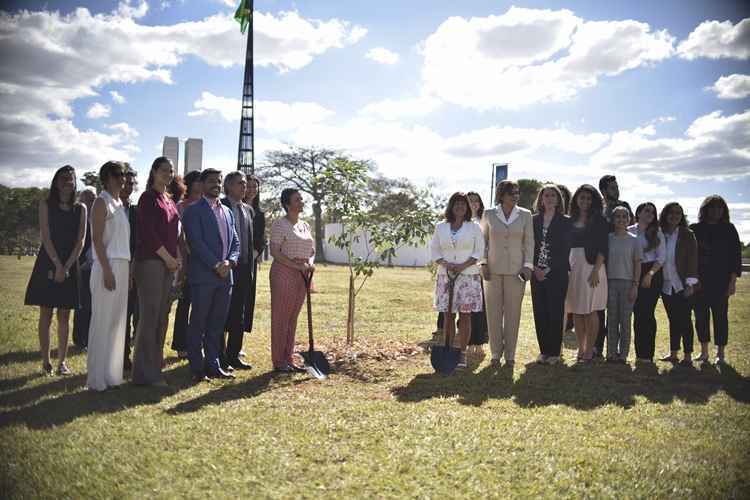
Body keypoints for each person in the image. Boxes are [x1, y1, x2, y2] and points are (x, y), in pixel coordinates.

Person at [25, 165, 86, 375]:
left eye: (71, 179)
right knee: (46, 313)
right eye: (63, 178)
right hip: (48, 261)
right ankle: (46, 362)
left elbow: (81, 240)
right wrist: (58, 265)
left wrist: (67, 266)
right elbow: (46, 236)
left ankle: (61, 362)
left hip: (70, 263)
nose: (67, 182)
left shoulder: (81, 209)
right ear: (56, 181)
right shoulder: (45, 205)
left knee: (64, 315)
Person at [182, 169, 240, 381]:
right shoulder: (193, 211)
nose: (216, 184)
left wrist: (230, 262)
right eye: (212, 181)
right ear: (202, 184)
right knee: (198, 323)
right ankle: (197, 368)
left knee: (216, 324)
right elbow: (196, 243)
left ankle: (214, 365)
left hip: (226, 278)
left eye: (219, 181)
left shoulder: (227, 211)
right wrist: (216, 264)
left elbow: (235, 242)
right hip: (204, 277)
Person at [131, 157, 180, 386]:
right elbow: (148, 233)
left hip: (168, 265)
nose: (168, 174)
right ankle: (143, 374)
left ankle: (155, 369)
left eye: (171, 171)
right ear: (153, 171)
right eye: (164, 170)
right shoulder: (147, 198)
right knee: (149, 318)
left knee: (161, 318)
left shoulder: (168, 199)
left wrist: (176, 259)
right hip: (151, 263)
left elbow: (175, 233)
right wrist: (167, 258)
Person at [86, 161, 131, 391]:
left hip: (122, 264)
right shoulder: (100, 202)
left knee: (116, 323)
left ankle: (111, 375)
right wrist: (106, 270)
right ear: (105, 178)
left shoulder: (120, 203)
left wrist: (127, 271)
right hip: (107, 265)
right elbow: (96, 239)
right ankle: (96, 379)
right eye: (116, 175)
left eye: (123, 174)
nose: (121, 178)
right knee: (102, 321)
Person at [480, 180, 534, 368]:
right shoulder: (488, 214)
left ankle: (510, 355)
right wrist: (483, 263)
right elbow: (482, 242)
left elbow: (529, 243)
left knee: (513, 314)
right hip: (492, 271)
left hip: (517, 272)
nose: (515, 196)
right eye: (511, 193)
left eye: (517, 193)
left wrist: (528, 266)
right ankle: (495, 353)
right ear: (501, 195)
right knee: (493, 313)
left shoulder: (526, 215)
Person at [430, 192, 484, 369]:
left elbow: (479, 251)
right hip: (446, 276)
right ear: (451, 206)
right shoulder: (441, 227)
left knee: (465, 316)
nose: (460, 207)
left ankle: (462, 353)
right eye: (456, 204)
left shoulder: (474, 227)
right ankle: (448, 349)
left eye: (463, 204)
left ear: (467, 207)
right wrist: (446, 264)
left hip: (467, 276)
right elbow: (435, 250)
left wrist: (462, 266)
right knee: (448, 315)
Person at [690, 195, 742, 364]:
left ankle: (720, 353)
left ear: (723, 211)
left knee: (721, 317)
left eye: (719, 208)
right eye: (712, 208)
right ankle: (704, 352)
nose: (716, 211)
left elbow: (735, 257)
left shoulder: (729, 229)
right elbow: (689, 257)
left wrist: (732, 282)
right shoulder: (695, 229)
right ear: (705, 210)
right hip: (699, 281)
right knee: (701, 316)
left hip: (721, 281)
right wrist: (693, 280)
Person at [269, 188, 315, 373]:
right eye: (297, 200)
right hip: (284, 274)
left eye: (301, 199)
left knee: (292, 319)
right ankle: (279, 360)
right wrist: (296, 266)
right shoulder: (280, 225)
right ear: (287, 204)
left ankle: (289, 358)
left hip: (303, 275)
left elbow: (311, 251)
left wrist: (310, 264)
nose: (301, 202)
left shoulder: (305, 225)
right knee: (281, 318)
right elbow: (275, 252)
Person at [566, 184, 608, 363]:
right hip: (573, 267)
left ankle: (590, 350)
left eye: (589, 198)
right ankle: (581, 349)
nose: (585, 201)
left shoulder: (600, 221)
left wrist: (596, 270)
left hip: (592, 268)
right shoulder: (569, 220)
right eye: (582, 197)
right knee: (576, 310)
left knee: (591, 311)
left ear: (594, 201)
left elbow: (603, 247)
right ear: (576, 199)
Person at [531, 185, 571, 365]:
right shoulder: (532, 221)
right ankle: (544, 351)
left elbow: (565, 250)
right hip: (535, 273)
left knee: (555, 312)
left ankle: (554, 352)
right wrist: (534, 268)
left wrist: (547, 270)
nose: (549, 198)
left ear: (558, 199)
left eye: (553, 195)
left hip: (557, 273)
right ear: (541, 199)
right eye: (546, 195)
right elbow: (528, 246)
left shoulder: (566, 222)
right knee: (540, 312)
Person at [596, 174, 633, 358]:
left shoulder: (624, 206)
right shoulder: (599, 209)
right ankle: (601, 349)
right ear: (603, 190)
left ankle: (622, 352)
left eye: (617, 186)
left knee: (623, 317)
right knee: (603, 311)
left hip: (623, 269)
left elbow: (630, 230)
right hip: (602, 266)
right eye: (612, 187)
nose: (616, 190)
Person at [221, 171, 254, 370]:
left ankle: (234, 355)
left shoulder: (249, 210)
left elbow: (249, 242)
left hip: (244, 268)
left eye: (245, 183)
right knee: (222, 311)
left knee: (239, 314)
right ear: (228, 186)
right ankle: (218, 354)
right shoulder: (221, 207)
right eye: (239, 183)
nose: (244, 186)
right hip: (226, 266)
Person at [658, 202, 699, 365]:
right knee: (673, 319)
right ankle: (674, 353)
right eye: (671, 212)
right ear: (665, 215)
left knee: (685, 320)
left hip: (683, 284)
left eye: (678, 213)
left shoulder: (687, 234)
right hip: (666, 286)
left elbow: (693, 259)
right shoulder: (660, 233)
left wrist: (690, 284)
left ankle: (688, 355)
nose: (674, 216)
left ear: (682, 217)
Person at [171, 171, 203, 360]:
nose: (200, 185)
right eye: (197, 182)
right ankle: (181, 344)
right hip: (186, 259)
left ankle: (197, 343)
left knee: (201, 305)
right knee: (185, 303)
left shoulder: (208, 205)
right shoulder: (180, 206)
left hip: (205, 261)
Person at [628, 202, 665, 363]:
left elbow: (661, 258)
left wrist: (649, 274)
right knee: (637, 314)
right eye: (647, 210)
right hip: (632, 272)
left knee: (647, 314)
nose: (650, 214)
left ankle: (647, 354)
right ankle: (639, 353)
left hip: (652, 273)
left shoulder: (657, 233)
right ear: (638, 213)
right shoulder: (629, 231)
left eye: (653, 212)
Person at [606, 206, 641, 363]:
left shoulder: (635, 240)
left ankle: (623, 354)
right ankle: (611, 352)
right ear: (613, 220)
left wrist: (635, 285)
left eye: (624, 217)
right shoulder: (608, 238)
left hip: (628, 283)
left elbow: (637, 264)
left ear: (629, 220)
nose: (621, 219)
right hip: (610, 282)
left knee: (625, 320)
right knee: (612, 319)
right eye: (617, 217)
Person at [73, 186, 97, 351]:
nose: (91, 201)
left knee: (93, 306)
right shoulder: (76, 219)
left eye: (93, 198)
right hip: (81, 267)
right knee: (82, 305)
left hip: (96, 267)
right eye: (87, 198)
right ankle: (80, 340)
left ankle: (89, 338)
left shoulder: (98, 217)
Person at [243, 175, 265, 349]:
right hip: (235, 260)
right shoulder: (231, 207)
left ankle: (237, 345)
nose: (251, 190)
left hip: (251, 260)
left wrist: (254, 254)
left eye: (254, 187)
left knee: (246, 302)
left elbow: (261, 239)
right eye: (248, 186)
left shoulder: (260, 213)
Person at [465, 191, 489, 356]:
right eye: (470, 201)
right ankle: (466, 340)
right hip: (463, 269)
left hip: (480, 268)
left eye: (476, 201)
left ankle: (479, 341)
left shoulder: (485, 221)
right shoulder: (461, 222)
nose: (473, 204)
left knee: (479, 308)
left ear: (480, 204)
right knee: (465, 307)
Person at [120, 169, 138, 370]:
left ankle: (125, 357)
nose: (129, 186)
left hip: (133, 268)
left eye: (133, 183)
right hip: (112, 267)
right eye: (126, 182)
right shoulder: (108, 206)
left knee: (130, 314)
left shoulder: (135, 210)